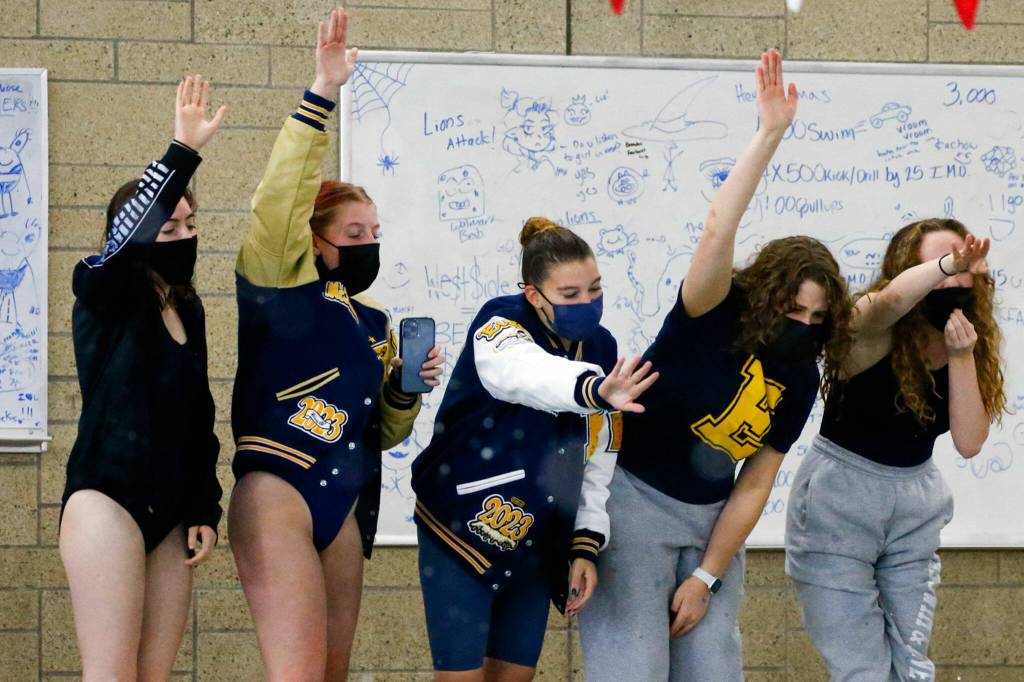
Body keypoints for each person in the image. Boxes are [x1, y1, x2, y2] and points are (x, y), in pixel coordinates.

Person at [579, 50, 853, 681]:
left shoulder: (801, 376)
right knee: (631, 668)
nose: (803, 326)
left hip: (711, 523)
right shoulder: (713, 311)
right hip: (635, 504)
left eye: (817, 318)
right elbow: (715, 230)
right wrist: (769, 135)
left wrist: (707, 573)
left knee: (713, 670)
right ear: (764, 293)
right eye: (793, 309)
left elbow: (756, 480)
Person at [226, 8, 442, 680]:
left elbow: (382, 430)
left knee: (332, 672)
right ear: (313, 239)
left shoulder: (372, 321)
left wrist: (404, 389)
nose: (368, 245)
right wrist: (323, 92)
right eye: (353, 234)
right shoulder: (277, 280)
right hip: (281, 487)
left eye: (375, 232)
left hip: (345, 498)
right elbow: (277, 200)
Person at [412, 217, 658, 681]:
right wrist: (594, 390)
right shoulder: (499, 323)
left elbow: (599, 452)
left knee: (516, 675)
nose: (587, 302)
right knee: (460, 677)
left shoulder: (601, 347)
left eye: (595, 288)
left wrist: (585, 543)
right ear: (533, 294)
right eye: (570, 295)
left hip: (536, 535)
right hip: (461, 524)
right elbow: (525, 373)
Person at [60, 74, 227, 679]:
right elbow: (128, 241)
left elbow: (198, 418)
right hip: (108, 499)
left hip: (171, 508)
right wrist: (181, 152)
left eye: (189, 225)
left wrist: (205, 505)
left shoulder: (188, 308)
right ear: (133, 235)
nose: (184, 235)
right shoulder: (104, 291)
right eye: (169, 227)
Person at [785, 220, 1004, 680]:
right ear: (910, 269)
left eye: (966, 266)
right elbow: (886, 304)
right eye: (943, 265)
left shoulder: (967, 338)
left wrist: (962, 356)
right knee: (860, 664)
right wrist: (947, 265)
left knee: (911, 661)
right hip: (840, 500)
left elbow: (969, 441)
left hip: (913, 503)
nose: (956, 277)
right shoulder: (871, 328)